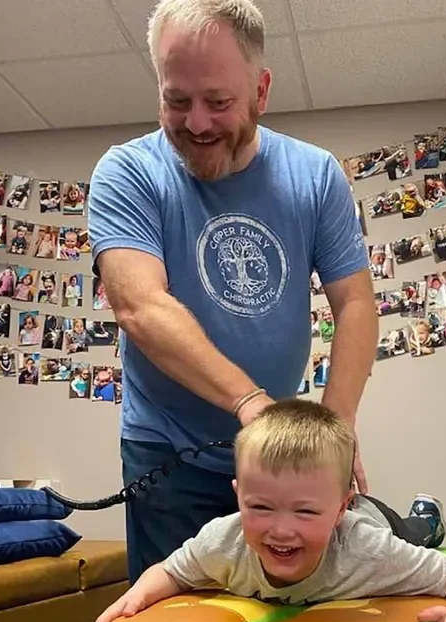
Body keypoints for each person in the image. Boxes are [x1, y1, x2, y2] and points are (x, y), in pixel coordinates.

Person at [87, 0, 378, 584]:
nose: (197, 123)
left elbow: (355, 302)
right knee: (178, 620)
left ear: (261, 91)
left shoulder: (316, 175)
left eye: (218, 102)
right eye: (177, 100)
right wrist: (249, 402)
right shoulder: (126, 173)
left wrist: (336, 430)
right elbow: (140, 307)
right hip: (168, 451)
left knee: (290, 609)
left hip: (277, 459)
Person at [80, 400, 446, 622]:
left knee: (416, 531)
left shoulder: (369, 550)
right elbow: (170, 571)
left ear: (339, 508)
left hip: (378, 518)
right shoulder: (223, 540)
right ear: (239, 496)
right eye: (260, 507)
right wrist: (132, 600)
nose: (281, 530)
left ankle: (427, 516)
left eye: (304, 512)